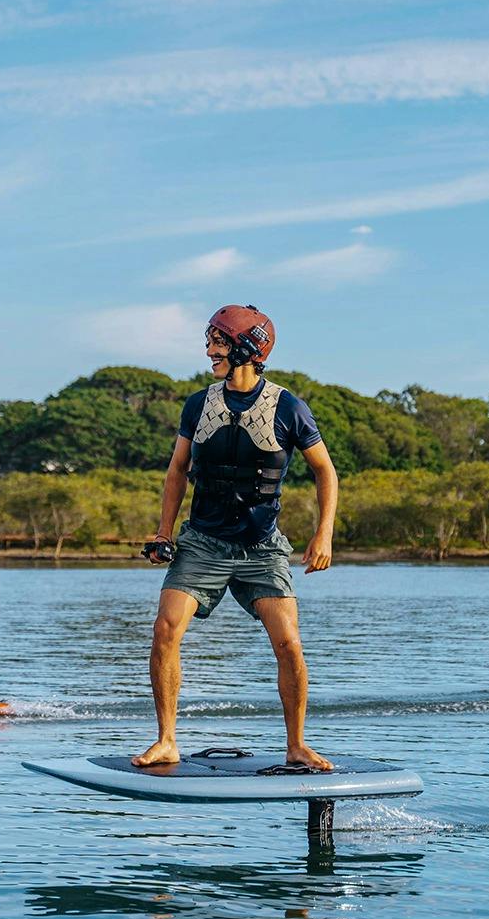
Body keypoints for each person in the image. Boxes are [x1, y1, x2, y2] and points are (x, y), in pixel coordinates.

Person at [135, 304, 338, 769]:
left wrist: (322, 535)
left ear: (248, 348)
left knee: (289, 644)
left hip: (261, 547)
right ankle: (166, 739)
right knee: (165, 630)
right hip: (203, 542)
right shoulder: (198, 404)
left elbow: (325, 472)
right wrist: (164, 533)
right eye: (210, 342)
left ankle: (297, 745)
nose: (209, 351)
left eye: (219, 343)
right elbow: (177, 471)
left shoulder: (289, 407)